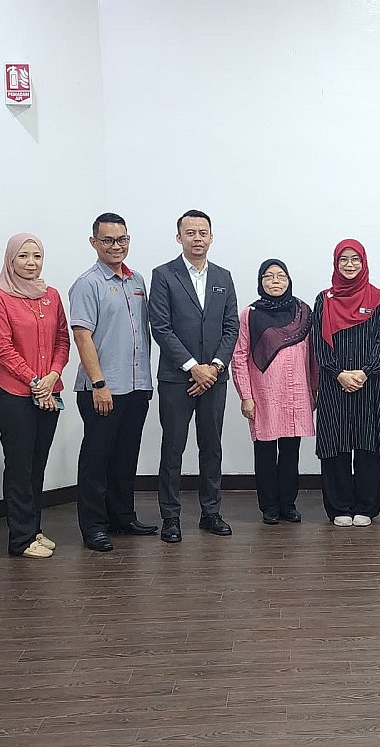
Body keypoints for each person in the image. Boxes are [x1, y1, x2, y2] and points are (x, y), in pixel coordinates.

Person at [68, 212, 157, 553]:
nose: (116, 246)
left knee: (125, 457)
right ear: (94, 242)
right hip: (102, 388)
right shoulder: (87, 283)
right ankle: (94, 526)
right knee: (96, 460)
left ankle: (122, 517)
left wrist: (145, 381)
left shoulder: (137, 281)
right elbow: (82, 336)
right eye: (108, 240)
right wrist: (98, 383)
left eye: (122, 239)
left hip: (136, 386)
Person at [149, 209, 239, 543]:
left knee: (211, 446)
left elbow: (231, 326)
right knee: (173, 448)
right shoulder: (164, 275)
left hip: (214, 378)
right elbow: (161, 327)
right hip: (177, 379)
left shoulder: (223, 276)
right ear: (179, 237)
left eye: (203, 232)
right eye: (190, 233)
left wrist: (214, 367)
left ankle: (211, 512)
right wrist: (192, 367)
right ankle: (170, 517)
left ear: (211, 237)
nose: (197, 238)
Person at [0, 232, 69, 558]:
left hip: (49, 391)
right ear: (11, 259)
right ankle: (20, 539)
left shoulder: (51, 295)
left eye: (36, 256)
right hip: (15, 394)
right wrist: (36, 381)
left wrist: (53, 376)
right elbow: (2, 349)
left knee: (37, 465)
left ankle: (34, 530)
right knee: (19, 467)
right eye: (23, 256)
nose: (31, 263)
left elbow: (63, 340)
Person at [230, 259, 316, 525]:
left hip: (297, 392)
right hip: (264, 394)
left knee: (291, 452)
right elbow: (239, 356)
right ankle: (268, 506)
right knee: (265, 452)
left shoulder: (303, 311)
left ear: (289, 280)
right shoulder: (250, 314)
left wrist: (315, 390)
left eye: (281, 276)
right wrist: (246, 396)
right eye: (268, 276)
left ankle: (288, 504)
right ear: (261, 282)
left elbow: (314, 355)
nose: (275, 281)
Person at [313, 239, 380, 527]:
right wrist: (339, 374)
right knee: (335, 445)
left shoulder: (378, 299)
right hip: (334, 384)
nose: (349, 264)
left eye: (355, 259)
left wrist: (364, 372)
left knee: (368, 444)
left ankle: (366, 507)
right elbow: (318, 344)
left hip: (368, 384)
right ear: (336, 263)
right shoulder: (324, 300)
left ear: (364, 262)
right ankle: (339, 507)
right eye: (343, 259)